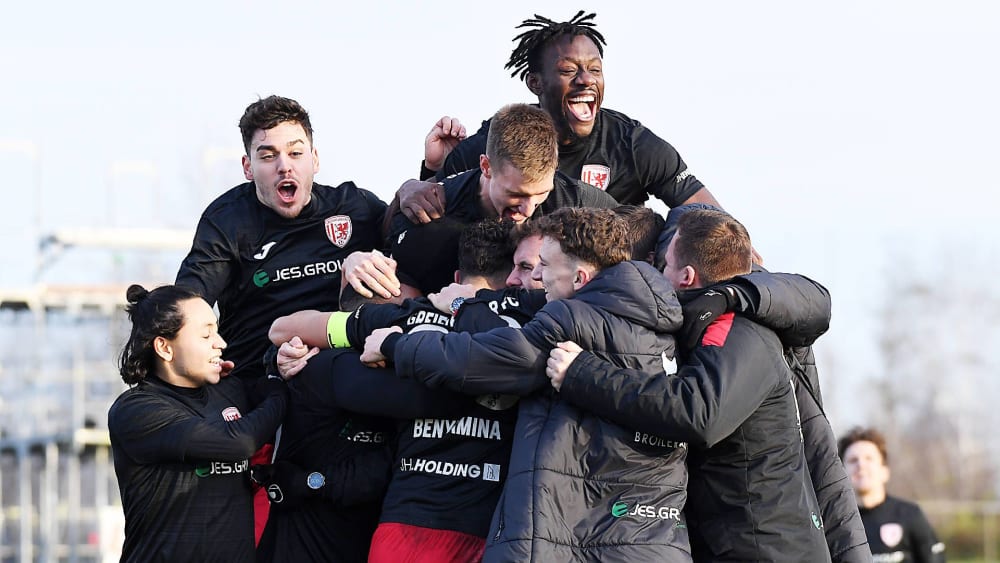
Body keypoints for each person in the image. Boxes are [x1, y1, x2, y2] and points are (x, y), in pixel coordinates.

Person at [362, 207, 692, 562]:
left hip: (587, 542)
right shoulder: (663, 325)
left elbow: (484, 360)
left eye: (545, 266)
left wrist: (394, 345)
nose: (537, 275)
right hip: (657, 541)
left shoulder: (572, 317)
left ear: (580, 279)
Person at [545, 208, 831, 561]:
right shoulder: (713, 326)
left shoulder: (741, 331)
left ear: (686, 276)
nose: (658, 275)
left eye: (663, 266)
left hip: (765, 551)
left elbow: (698, 413)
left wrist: (581, 374)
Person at [268, 220, 534, 563]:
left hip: (407, 526)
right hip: (489, 530)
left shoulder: (404, 318)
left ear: (454, 279)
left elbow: (282, 328)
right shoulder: (534, 332)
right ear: (513, 279)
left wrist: (395, 346)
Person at [399, 10, 721, 224]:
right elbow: (426, 209)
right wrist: (425, 176)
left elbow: (710, 218)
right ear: (535, 83)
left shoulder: (633, 144)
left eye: (594, 69)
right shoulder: (495, 143)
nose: (585, 79)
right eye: (568, 70)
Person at [175, 94, 388, 383]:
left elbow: (415, 246)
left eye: (296, 153)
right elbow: (187, 306)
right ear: (248, 167)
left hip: (338, 367)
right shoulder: (227, 220)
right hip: (254, 378)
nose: (284, 166)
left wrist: (429, 174)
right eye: (268, 155)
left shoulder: (354, 207)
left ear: (314, 159)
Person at [346, 103, 616, 301]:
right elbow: (383, 298)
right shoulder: (429, 218)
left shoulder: (576, 202)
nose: (529, 208)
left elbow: (641, 233)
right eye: (516, 194)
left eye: (541, 193)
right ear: (486, 167)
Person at [107, 284, 289, 562]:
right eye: (206, 335)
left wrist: (278, 376)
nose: (221, 343)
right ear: (165, 348)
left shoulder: (229, 390)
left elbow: (263, 393)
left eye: (216, 331)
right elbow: (239, 441)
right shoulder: (137, 410)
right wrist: (280, 389)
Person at [839, 427, 946, 563]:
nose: (861, 465)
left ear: (885, 471)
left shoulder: (910, 515)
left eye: (869, 459)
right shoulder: (836, 523)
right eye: (853, 460)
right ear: (841, 473)